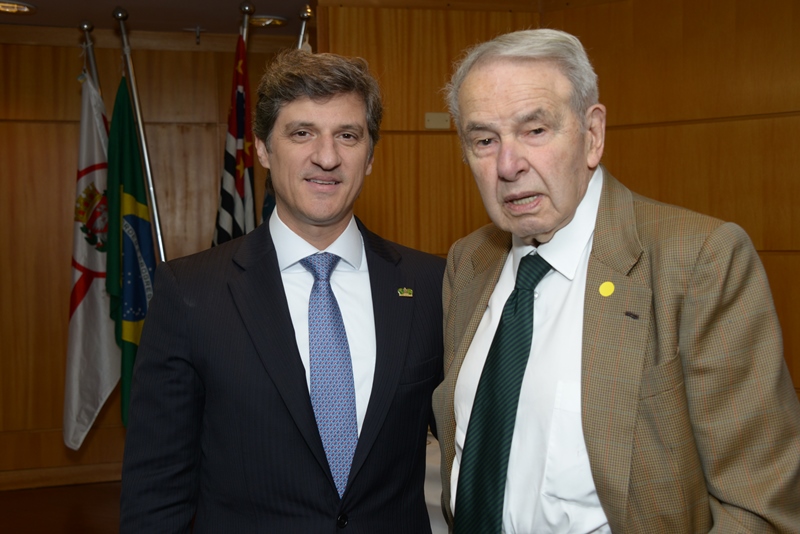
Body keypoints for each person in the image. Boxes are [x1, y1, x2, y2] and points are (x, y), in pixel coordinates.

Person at [432, 28, 800, 533]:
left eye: (535, 130)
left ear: (593, 133)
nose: (509, 165)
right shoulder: (468, 262)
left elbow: (758, 506)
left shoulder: (699, 261)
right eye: (484, 140)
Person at [120, 49, 445, 533]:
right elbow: (156, 489)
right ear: (263, 149)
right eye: (302, 133)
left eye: (348, 135)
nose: (327, 157)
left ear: (371, 156)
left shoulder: (431, 284)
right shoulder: (189, 293)